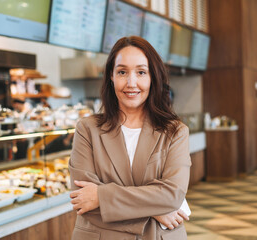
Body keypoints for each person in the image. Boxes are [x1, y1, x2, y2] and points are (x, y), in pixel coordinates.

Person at [69, 36, 191, 240]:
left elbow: (172, 196)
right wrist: (155, 210)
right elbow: (83, 201)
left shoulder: (175, 132)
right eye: (122, 72)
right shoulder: (87, 129)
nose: (131, 83)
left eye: (141, 72)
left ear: (153, 77)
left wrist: (101, 196)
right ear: (111, 76)